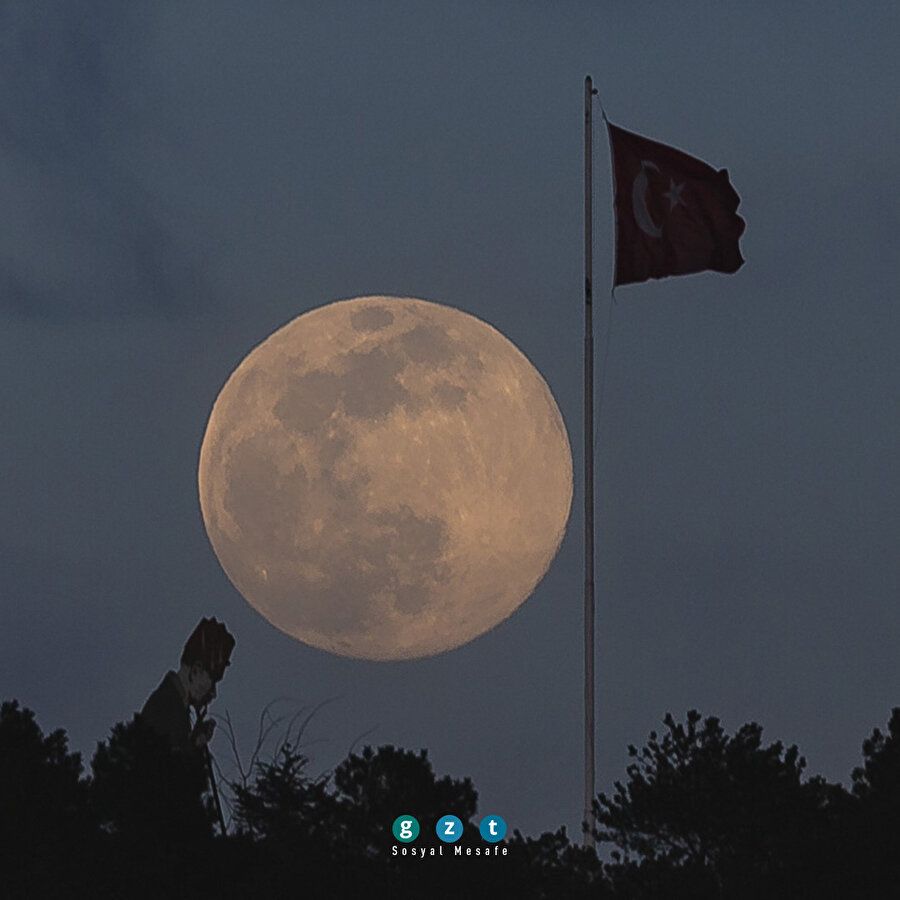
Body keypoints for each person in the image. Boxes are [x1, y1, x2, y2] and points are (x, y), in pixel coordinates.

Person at [141, 617, 235, 752]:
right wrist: (194, 746)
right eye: (212, 681)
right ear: (196, 671)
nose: (213, 693)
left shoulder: (173, 704)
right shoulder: (166, 706)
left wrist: (195, 742)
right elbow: (167, 762)